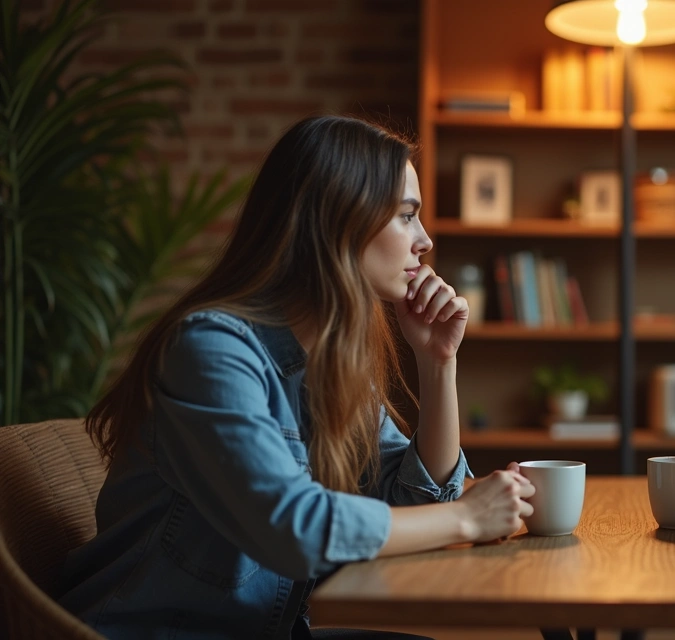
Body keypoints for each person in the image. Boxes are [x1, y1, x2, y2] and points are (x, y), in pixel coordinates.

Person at [57, 115, 535, 639]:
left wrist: (438, 363)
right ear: (338, 220)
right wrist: (468, 518)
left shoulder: (326, 358)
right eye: (405, 216)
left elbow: (415, 506)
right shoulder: (210, 352)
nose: (423, 240)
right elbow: (292, 530)